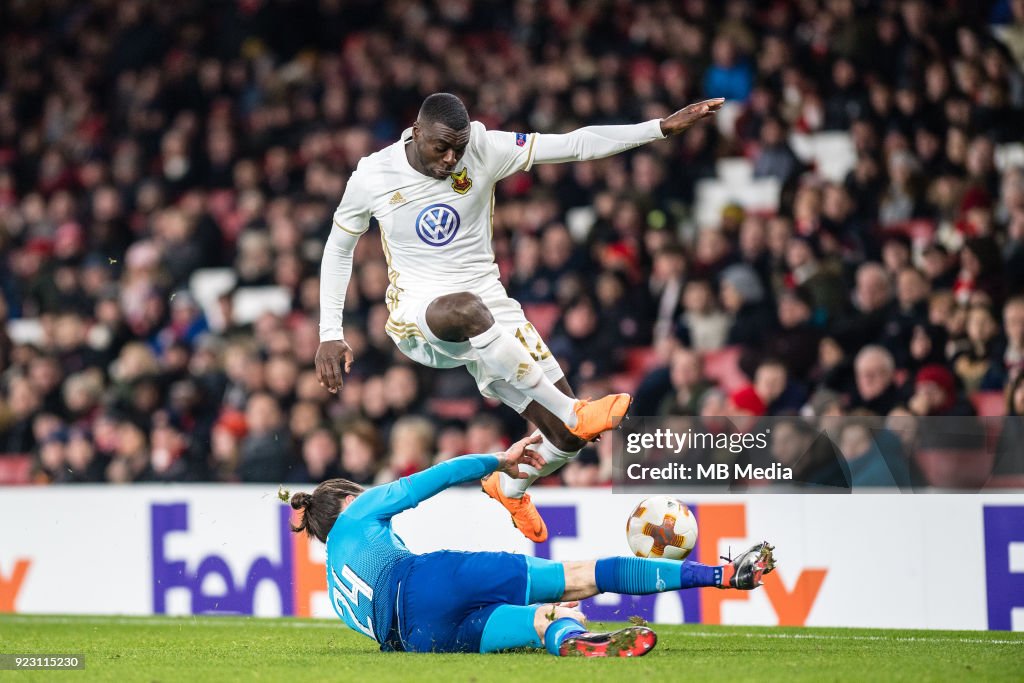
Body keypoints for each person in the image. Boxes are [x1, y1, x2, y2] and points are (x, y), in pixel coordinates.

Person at [316, 92, 725, 542]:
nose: (452, 159)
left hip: (493, 311)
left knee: (568, 440)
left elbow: (574, 144)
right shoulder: (373, 174)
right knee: (483, 326)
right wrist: (330, 332)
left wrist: (658, 128)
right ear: (416, 133)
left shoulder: (483, 148)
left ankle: (510, 486)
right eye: (441, 148)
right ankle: (574, 410)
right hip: (418, 315)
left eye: (459, 147)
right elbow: (339, 247)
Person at [288, 435, 776, 657]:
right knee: (572, 579)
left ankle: (567, 637)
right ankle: (721, 576)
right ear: (349, 498)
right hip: (423, 580)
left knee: (540, 621)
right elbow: (429, 480)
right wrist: (496, 461)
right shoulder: (359, 510)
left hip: (415, 639)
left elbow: (379, 634)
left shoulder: (333, 586)